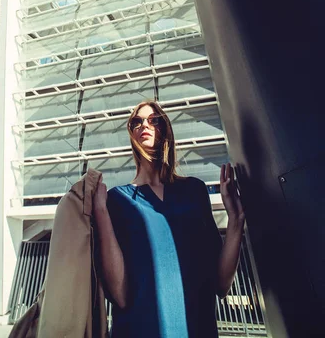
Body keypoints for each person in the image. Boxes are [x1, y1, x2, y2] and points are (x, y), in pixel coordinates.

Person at [93, 100, 245, 338]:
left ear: (166, 130)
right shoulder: (117, 199)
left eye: (153, 120)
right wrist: (101, 212)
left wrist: (235, 220)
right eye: (137, 121)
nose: (144, 124)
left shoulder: (194, 191)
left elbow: (222, 284)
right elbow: (119, 295)